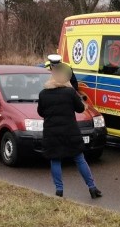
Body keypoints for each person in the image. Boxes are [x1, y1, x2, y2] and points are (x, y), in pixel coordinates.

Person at [37, 63, 101, 199]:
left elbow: (41, 112)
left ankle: (59, 191)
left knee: (55, 160)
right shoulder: (70, 92)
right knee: (79, 159)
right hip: (70, 131)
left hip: (51, 133)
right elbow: (80, 109)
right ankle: (92, 188)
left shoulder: (43, 94)